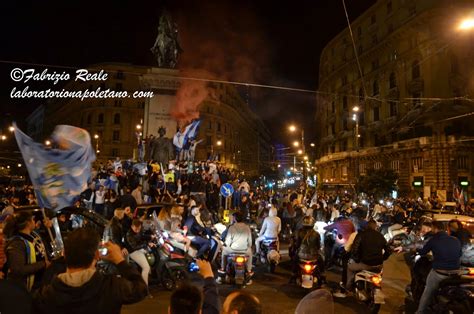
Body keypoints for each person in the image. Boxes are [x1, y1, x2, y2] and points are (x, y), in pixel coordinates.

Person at [33, 228, 147, 313]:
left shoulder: (46, 295)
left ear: (65, 254)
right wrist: (120, 260)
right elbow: (140, 289)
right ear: (97, 255)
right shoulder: (111, 287)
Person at [334, 219, 390, 298]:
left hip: (365, 264)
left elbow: (355, 249)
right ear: (375, 227)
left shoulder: (361, 235)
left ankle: (348, 287)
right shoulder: (380, 236)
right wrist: (383, 258)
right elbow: (388, 250)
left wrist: (356, 259)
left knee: (350, 267)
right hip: (378, 266)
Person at [415, 221, 462, 314]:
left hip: (440, 274)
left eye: (432, 228)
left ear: (435, 228)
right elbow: (460, 254)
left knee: (427, 291)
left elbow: (423, 252)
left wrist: (415, 249)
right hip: (456, 273)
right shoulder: (455, 239)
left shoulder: (433, 240)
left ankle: (420, 312)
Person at [3, 211, 50, 291]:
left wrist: (49, 228)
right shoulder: (17, 243)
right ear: (28, 223)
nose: (34, 221)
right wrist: (43, 264)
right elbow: (18, 270)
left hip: (38, 284)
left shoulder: (33, 234)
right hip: (25, 289)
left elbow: (47, 242)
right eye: (33, 219)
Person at [218, 211, 253, 284]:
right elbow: (250, 242)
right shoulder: (247, 227)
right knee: (250, 254)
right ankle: (249, 270)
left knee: (224, 252)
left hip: (232, 250)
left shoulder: (232, 227)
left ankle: (223, 269)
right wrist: (247, 246)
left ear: (234, 219)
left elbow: (227, 242)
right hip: (244, 250)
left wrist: (225, 245)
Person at [125, 219, 154, 294]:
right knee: (146, 267)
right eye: (136, 229)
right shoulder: (129, 234)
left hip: (140, 249)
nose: (137, 230)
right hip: (133, 251)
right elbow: (134, 246)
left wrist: (150, 236)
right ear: (132, 226)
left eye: (139, 228)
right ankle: (145, 290)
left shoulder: (139, 230)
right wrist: (146, 244)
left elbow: (141, 236)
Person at [290, 216, 322, 282]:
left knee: (294, 260)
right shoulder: (317, 234)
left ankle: (293, 275)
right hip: (313, 256)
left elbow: (297, 245)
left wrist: (294, 248)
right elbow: (318, 246)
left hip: (301, 255)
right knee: (321, 261)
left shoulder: (300, 232)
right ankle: (322, 276)